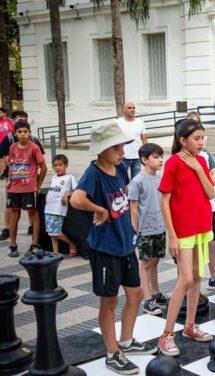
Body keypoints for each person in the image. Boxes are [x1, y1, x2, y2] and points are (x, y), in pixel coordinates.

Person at [71, 122, 157, 375]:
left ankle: (127, 341)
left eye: (122, 146)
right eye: (117, 147)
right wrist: (99, 210)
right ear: (103, 149)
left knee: (136, 294)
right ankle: (112, 353)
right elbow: (76, 199)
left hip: (125, 244)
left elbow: (123, 196)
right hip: (105, 249)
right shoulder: (93, 173)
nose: (122, 152)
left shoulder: (120, 168)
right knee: (109, 301)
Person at [158, 119, 214, 356]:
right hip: (183, 231)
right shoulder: (172, 163)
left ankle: (190, 326)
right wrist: (171, 235)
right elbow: (164, 200)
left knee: (197, 278)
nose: (201, 143)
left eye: (203, 138)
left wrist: (199, 168)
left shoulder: (201, 160)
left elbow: (210, 192)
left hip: (202, 226)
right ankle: (166, 335)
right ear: (182, 140)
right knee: (185, 280)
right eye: (196, 138)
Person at [129, 143, 168, 316]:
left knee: (155, 261)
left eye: (161, 156)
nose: (160, 160)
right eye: (156, 157)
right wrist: (135, 230)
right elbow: (133, 207)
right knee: (145, 264)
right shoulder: (137, 181)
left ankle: (156, 293)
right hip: (145, 230)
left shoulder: (159, 179)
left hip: (160, 227)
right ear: (144, 160)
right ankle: (147, 300)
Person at [187, 112, 215, 291]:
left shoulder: (205, 154)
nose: (200, 140)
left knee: (214, 240)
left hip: (209, 205)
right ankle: (192, 281)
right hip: (191, 208)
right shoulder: (180, 156)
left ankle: (214, 276)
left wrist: (204, 181)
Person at [6, 121, 47, 257]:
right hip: (14, 189)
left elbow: (44, 168)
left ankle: (34, 244)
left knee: (33, 215)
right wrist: (9, 181)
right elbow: (11, 166)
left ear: (29, 132)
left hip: (30, 188)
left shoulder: (34, 147)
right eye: (20, 132)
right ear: (15, 133)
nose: (23, 134)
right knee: (14, 217)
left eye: (25, 131)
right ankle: (13, 245)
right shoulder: (12, 147)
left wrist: (38, 184)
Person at [0, 111, 41, 241]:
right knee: (12, 211)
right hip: (13, 183)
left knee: (32, 212)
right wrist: (8, 177)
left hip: (28, 185)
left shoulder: (34, 142)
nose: (23, 134)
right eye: (19, 118)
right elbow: (6, 160)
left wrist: (36, 182)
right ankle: (9, 234)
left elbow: (41, 162)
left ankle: (33, 237)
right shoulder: (9, 141)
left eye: (25, 119)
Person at [44, 154, 78, 255]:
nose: (57, 167)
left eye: (60, 164)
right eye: (55, 165)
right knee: (51, 233)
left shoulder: (69, 177)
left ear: (66, 165)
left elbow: (77, 190)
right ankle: (55, 252)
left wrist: (67, 195)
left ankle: (71, 243)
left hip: (58, 209)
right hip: (48, 208)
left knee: (55, 232)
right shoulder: (54, 177)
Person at [116, 102, 147, 179]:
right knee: (121, 180)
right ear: (123, 110)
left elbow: (144, 140)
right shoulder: (117, 123)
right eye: (129, 108)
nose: (132, 110)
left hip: (137, 157)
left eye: (133, 108)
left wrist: (146, 154)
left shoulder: (140, 122)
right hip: (122, 157)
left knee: (135, 181)